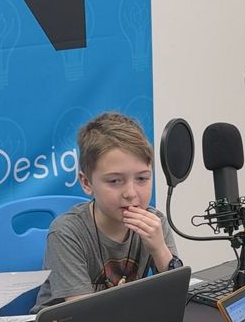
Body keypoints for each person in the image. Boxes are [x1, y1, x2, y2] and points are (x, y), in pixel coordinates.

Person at [33, 112, 181, 310]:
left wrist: (160, 250)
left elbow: (177, 298)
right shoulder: (66, 233)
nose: (130, 193)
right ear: (86, 183)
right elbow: (82, 316)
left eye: (142, 179)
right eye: (114, 181)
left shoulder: (155, 223)